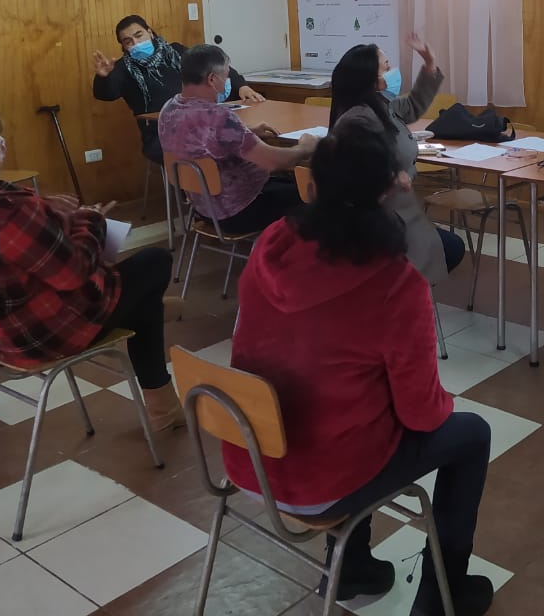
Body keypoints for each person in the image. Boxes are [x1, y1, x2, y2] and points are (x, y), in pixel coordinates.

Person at [224, 122, 494, 616]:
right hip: (323, 481)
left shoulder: (271, 242)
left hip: (248, 456)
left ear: (314, 182)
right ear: (392, 188)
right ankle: (444, 595)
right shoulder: (395, 282)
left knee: (353, 401)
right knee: (471, 434)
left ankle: (352, 569)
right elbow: (421, 415)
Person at [0, 95, 183, 429]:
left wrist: (45, 209)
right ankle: (161, 402)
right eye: (0, 137)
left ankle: (161, 396)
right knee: (154, 262)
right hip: (40, 337)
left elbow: (7, 240)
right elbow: (74, 273)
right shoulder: (11, 211)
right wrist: (91, 220)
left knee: (143, 300)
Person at [329, 33, 465, 284]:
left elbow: (413, 105)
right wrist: (391, 177)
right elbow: (356, 175)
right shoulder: (358, 120)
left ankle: (402, 293)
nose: (393, 71)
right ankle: (401, 294)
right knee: (449, 248)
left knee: (448, 247)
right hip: (380, 220)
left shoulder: (382, 105)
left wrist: (429, 65)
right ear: (373, 80)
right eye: (387, 66)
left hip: (399, 213)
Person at [158, 45, 316, 234]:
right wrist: (305, 148)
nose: (228, 82)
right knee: (315, 192)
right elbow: (273, 162)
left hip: (202, 208)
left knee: (290, 184)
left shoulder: (169, 108)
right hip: (240, 210)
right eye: (226, 76)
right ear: (212, 79)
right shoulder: (219, 117)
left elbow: (202, 138)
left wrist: (247, 132)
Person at [92, 14, 265, 163]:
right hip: (161, 135)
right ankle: (201, 188)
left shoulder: (175, 52)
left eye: (139, 35)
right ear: (123, 46)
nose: (136, 43)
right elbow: (107, 94)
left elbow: (213, 66)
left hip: (200, 124)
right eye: (128, 41)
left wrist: (241, 86)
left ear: (150, 32)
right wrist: (103, 77)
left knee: (242, 138)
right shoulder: (124, 68)